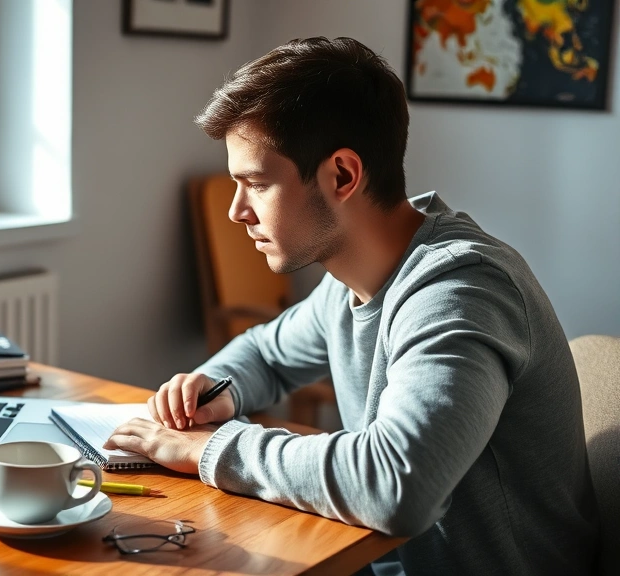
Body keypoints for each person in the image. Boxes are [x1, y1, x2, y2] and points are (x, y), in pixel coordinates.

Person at [104, 37, 600, 575]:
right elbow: (265, 355)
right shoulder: (350, 282)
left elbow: (395, 484)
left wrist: (210, 448)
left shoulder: (461, 291)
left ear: (342, 175)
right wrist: (209, 392)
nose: (236, 211)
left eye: (258, 184)